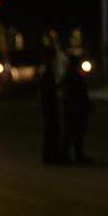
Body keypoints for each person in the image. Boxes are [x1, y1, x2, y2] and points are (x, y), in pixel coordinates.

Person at [62, 50, 93, 164]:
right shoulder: (72, 75)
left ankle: (74, 154)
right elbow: (75, 92)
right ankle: (70, 155)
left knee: (75, 132)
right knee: (73, 132)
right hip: (74, 108)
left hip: (75, 107)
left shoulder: (74, 75)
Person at [40, 30, 65, 164]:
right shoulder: (47, 71)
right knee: (52, 128)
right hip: (49, 102)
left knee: (53, 128)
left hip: (50, 101)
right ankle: (51, 155)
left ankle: (51, 154)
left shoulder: (49, 68)